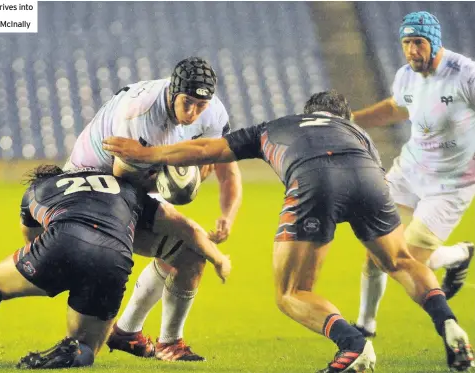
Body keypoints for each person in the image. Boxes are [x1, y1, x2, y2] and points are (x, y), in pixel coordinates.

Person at [102, 90, 475, 372]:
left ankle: (353, 344)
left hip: (314, 179)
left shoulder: (276, 126)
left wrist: (148, 155)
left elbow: (205, 148)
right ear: (344, 118)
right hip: (368, 174)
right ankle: (450, 325)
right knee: (400, 260)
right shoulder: (357, 134)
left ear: (307, 113)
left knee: (293, 292)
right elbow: (362, 180)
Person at [0, 165, 231, 369]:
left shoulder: (37, 190)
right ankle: (72, 352)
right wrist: (218, 258)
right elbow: (183, 226)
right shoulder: (128, 190)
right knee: (87, 346)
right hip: (114, 259)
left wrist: (51, 270)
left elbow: (32, 238)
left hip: (61, 243)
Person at [65, 56, 242, 361]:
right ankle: (103, 335)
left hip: (132, 182)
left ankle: (140, 336)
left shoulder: (212, 111)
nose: (193, 113)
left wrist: (227, 215)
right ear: (173, 92)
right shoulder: (141, 116)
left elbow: (227, 167)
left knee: (187, 255)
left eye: (200, 106)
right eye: (187, 103)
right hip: (89, 189)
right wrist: (175, 175)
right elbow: (123, 190)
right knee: (185, 244)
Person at [349, 11, 475, 338]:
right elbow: (395, 109)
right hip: (408, 172)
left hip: (450, 185)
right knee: (377, 248)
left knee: (410, 262)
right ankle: (366, 323)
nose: (411, 51)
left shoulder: (465, 74)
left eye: (418, 42)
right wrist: (350, 119)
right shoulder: (406, 75)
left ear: (434, 42)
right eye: (406, 43)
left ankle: (458, 254)